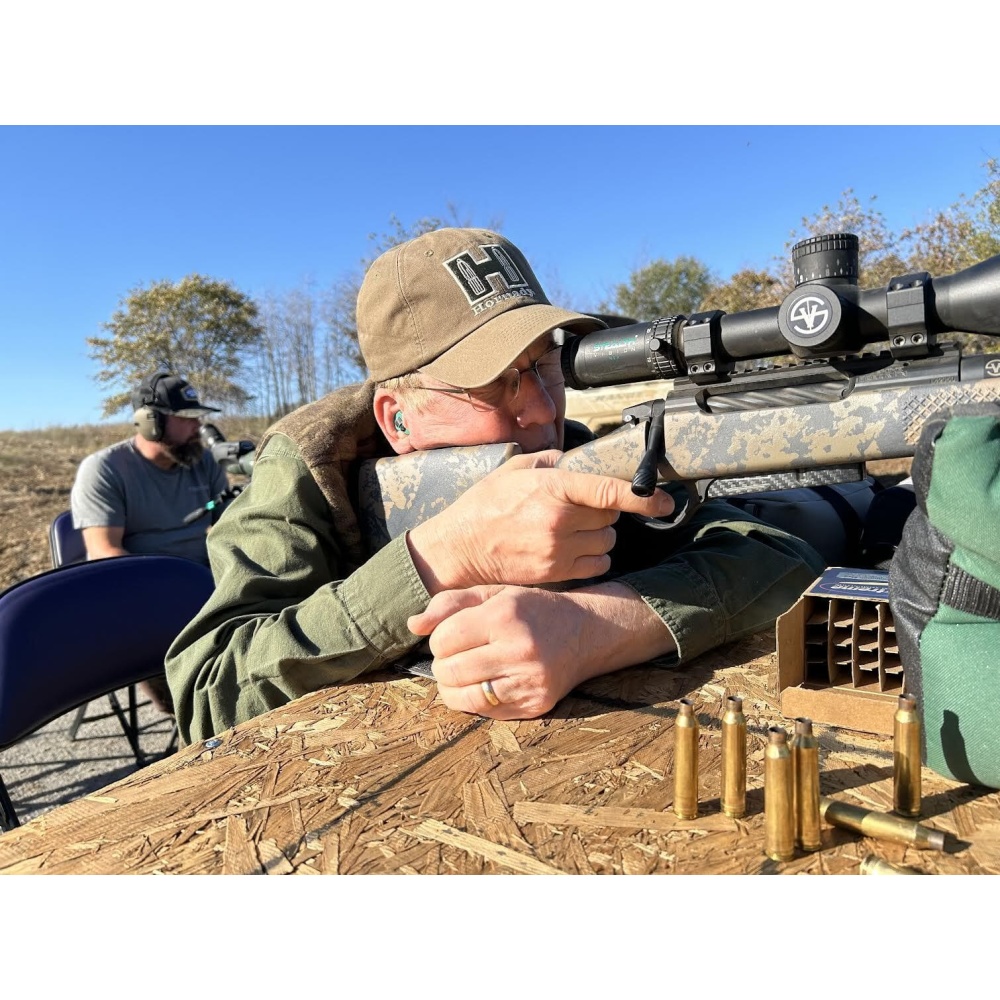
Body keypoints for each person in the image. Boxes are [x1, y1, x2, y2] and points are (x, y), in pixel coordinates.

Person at [165, 228, 825, 744]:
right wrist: (437, 558)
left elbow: (777, 554)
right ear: (398, 418)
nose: (541, 410)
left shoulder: (564, 448)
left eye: (544, 367)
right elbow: (208, 693)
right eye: (494, 383)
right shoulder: (310, 469)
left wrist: (606, 624)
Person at [71, 372, 228, 712]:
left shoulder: (203, 461)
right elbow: (105, 553)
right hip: (143, 597)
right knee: (199, 699)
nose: (198, 426)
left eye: (199, 416)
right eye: (186, 418)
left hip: (204, 586)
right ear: (149, 422)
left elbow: (233, 527)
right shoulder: (104, 469)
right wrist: (175, 600)